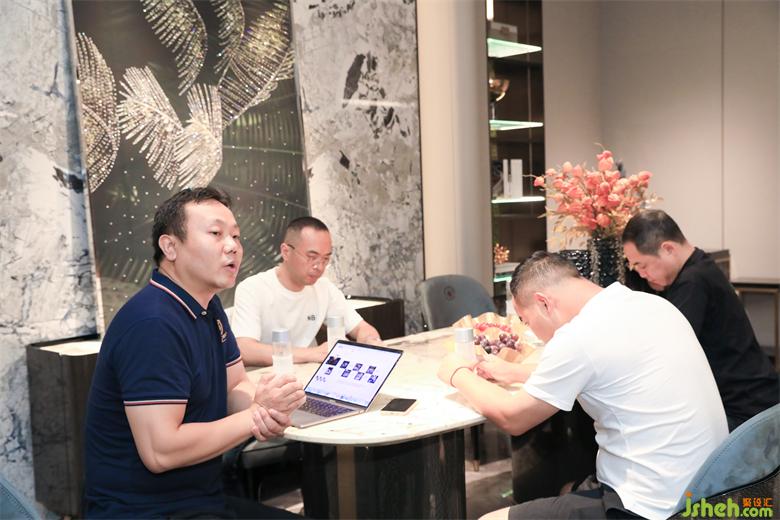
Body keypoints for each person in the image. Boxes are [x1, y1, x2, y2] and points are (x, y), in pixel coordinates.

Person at [438, 252, 728, 520]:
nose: (529, 330)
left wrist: (457, 373)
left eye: (526, 320)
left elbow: (512, 417)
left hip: (651, 506)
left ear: (544, 303)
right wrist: (513, 372)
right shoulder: (649, 304)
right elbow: (603, 368)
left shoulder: (578, 337)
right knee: (567, 488)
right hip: (708, 489)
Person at [84, 187, 306, 518]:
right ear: (170, 247)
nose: (232, 246)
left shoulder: (208, 306)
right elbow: (161, 451)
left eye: (236, 236)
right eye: (216, 233)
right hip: (145, 510)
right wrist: (254, 417)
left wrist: (266, 407)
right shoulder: (152, 323)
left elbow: (235, 385)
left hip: (201, 498)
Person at [622, 209, 779, 431]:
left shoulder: (692, 283)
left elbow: (667, 352)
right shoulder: (701, 265)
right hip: (757, 398)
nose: (641, 274)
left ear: (668, 248)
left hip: (746, 409)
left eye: (642, 265)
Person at [231, 216, 380, 366]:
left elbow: (361, 328)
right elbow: (245, 349)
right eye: (312, 257)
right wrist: (312, 353)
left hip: (308, 373)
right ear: (286, 252)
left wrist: (370, 340)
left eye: (325, 259)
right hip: (267, 376)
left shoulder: (324, 288)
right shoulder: (253, 288)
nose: (319, 267)